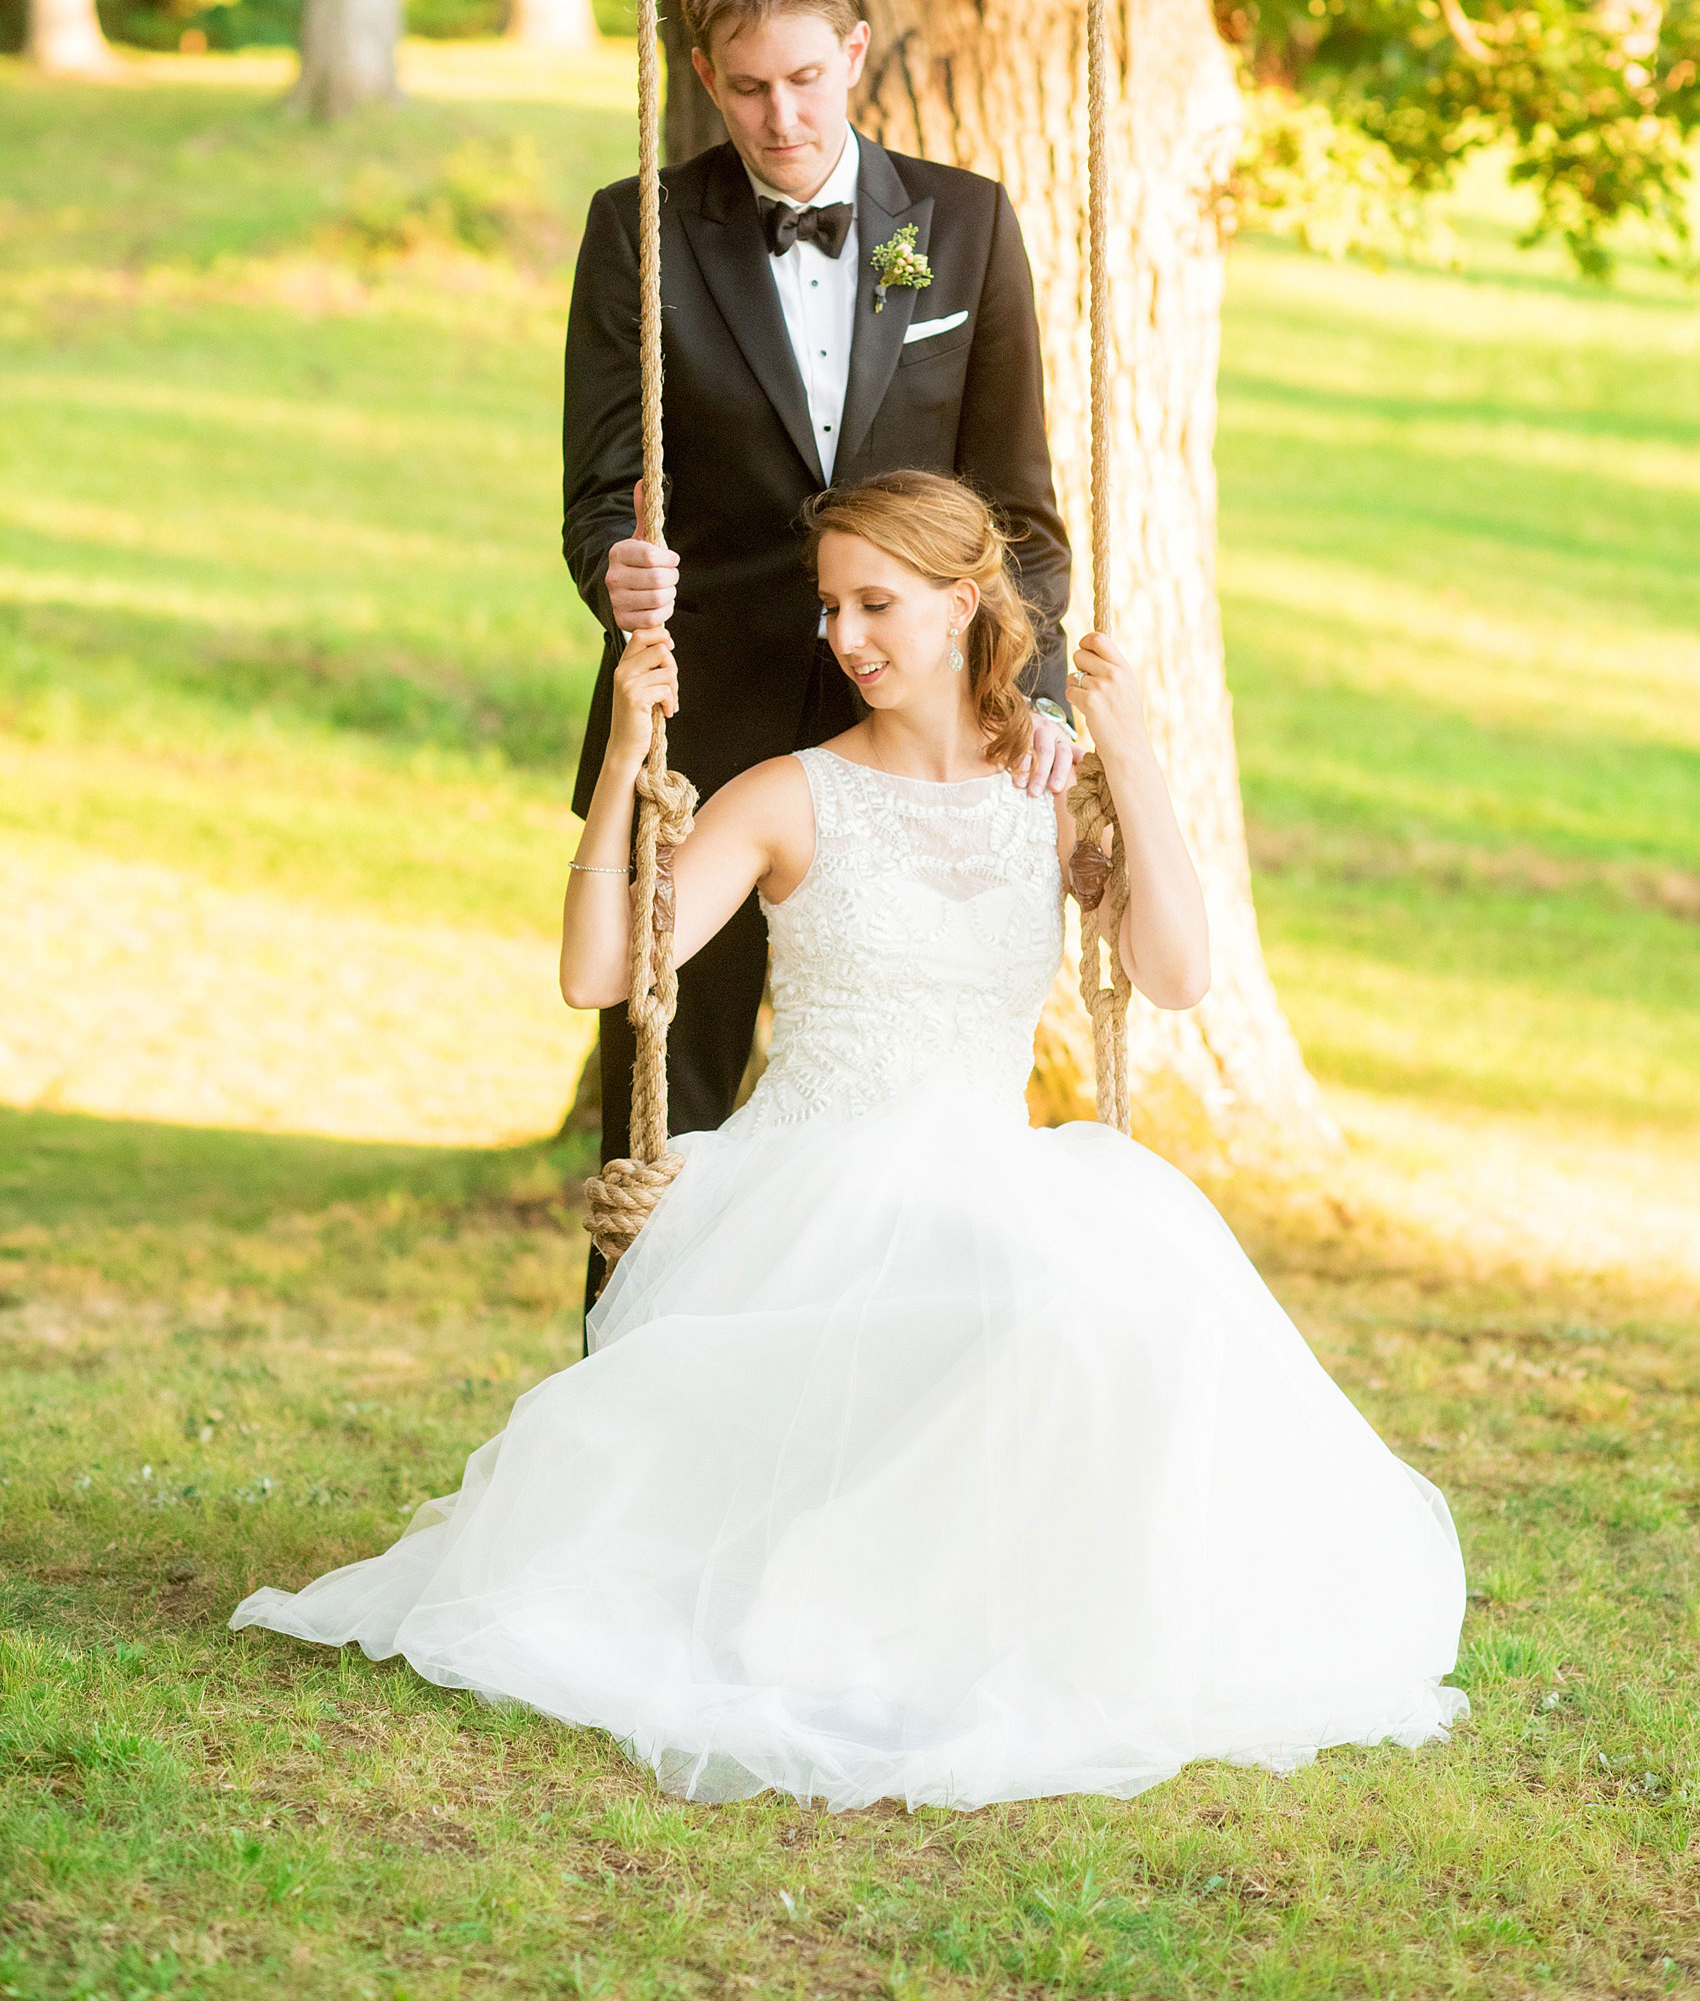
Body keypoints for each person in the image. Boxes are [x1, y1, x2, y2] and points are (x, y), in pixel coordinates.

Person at [232, 471, 1468, 1814]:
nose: (846, 636)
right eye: (831, 606)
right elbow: (600, 968)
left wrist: (1138, 750)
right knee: (1040, 1317)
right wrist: (626, 758)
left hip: (998, 1166)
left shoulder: (1051, 787)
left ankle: (1045, 1621)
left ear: (963, 604)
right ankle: (858, 1616)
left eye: (877, 602)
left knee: (1133, 1315)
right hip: (813, 1185)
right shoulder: (787, 796)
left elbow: (1173, 973)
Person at [561, 0, 1073, 1302]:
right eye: (744, 88)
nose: (779, 116)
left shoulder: (965, 227)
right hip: (712, 729)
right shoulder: (640, 230)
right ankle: (629, 1428)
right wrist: (617, 564)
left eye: (802, 77)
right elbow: (601, 490)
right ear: (703, 77)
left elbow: (1020, 504)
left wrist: (1027, 694)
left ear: (855, 51)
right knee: (674, 1106)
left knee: (917, 1120)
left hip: (924, 743)